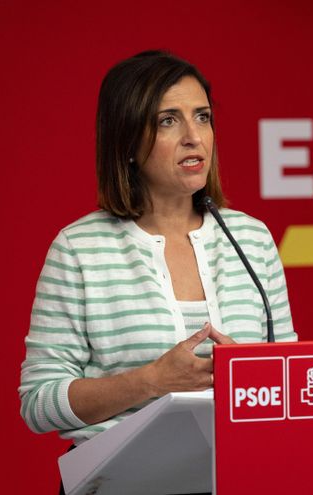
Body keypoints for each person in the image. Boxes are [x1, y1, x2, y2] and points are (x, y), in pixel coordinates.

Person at [18, 50, 297, 449]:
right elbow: (38, 403)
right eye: (168, 120)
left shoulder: (252, 238)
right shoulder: (79, 250)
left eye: (203, 117)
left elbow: (293, 380)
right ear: (128, 141)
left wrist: (253, 378)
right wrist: (151, 380)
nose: (193, 136)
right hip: (123, 476)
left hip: (242, 469)